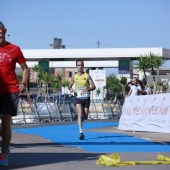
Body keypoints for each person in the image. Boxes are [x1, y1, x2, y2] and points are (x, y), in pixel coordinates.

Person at [0, 21, 29, 166]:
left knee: (6, 121)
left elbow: (25, 68)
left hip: (10, 90)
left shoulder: (15, 49)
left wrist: (23, 82)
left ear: (4, 31)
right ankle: (5, 141)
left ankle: (4, 153)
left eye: (1, 31)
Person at [68, 59, 96, 140]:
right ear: (76, 66)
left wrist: (88, 89)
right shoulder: (74, 77)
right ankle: (81, 132)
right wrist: (71, 89)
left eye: (81, 65)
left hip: (86, 98)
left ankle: (83, 118)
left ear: (83, 66)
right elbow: (69, 86)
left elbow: (93, 86)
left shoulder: (87, 76)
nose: (80, 67)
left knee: (86, 116)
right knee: (79, 113)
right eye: (78, 65)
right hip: (78, 98)